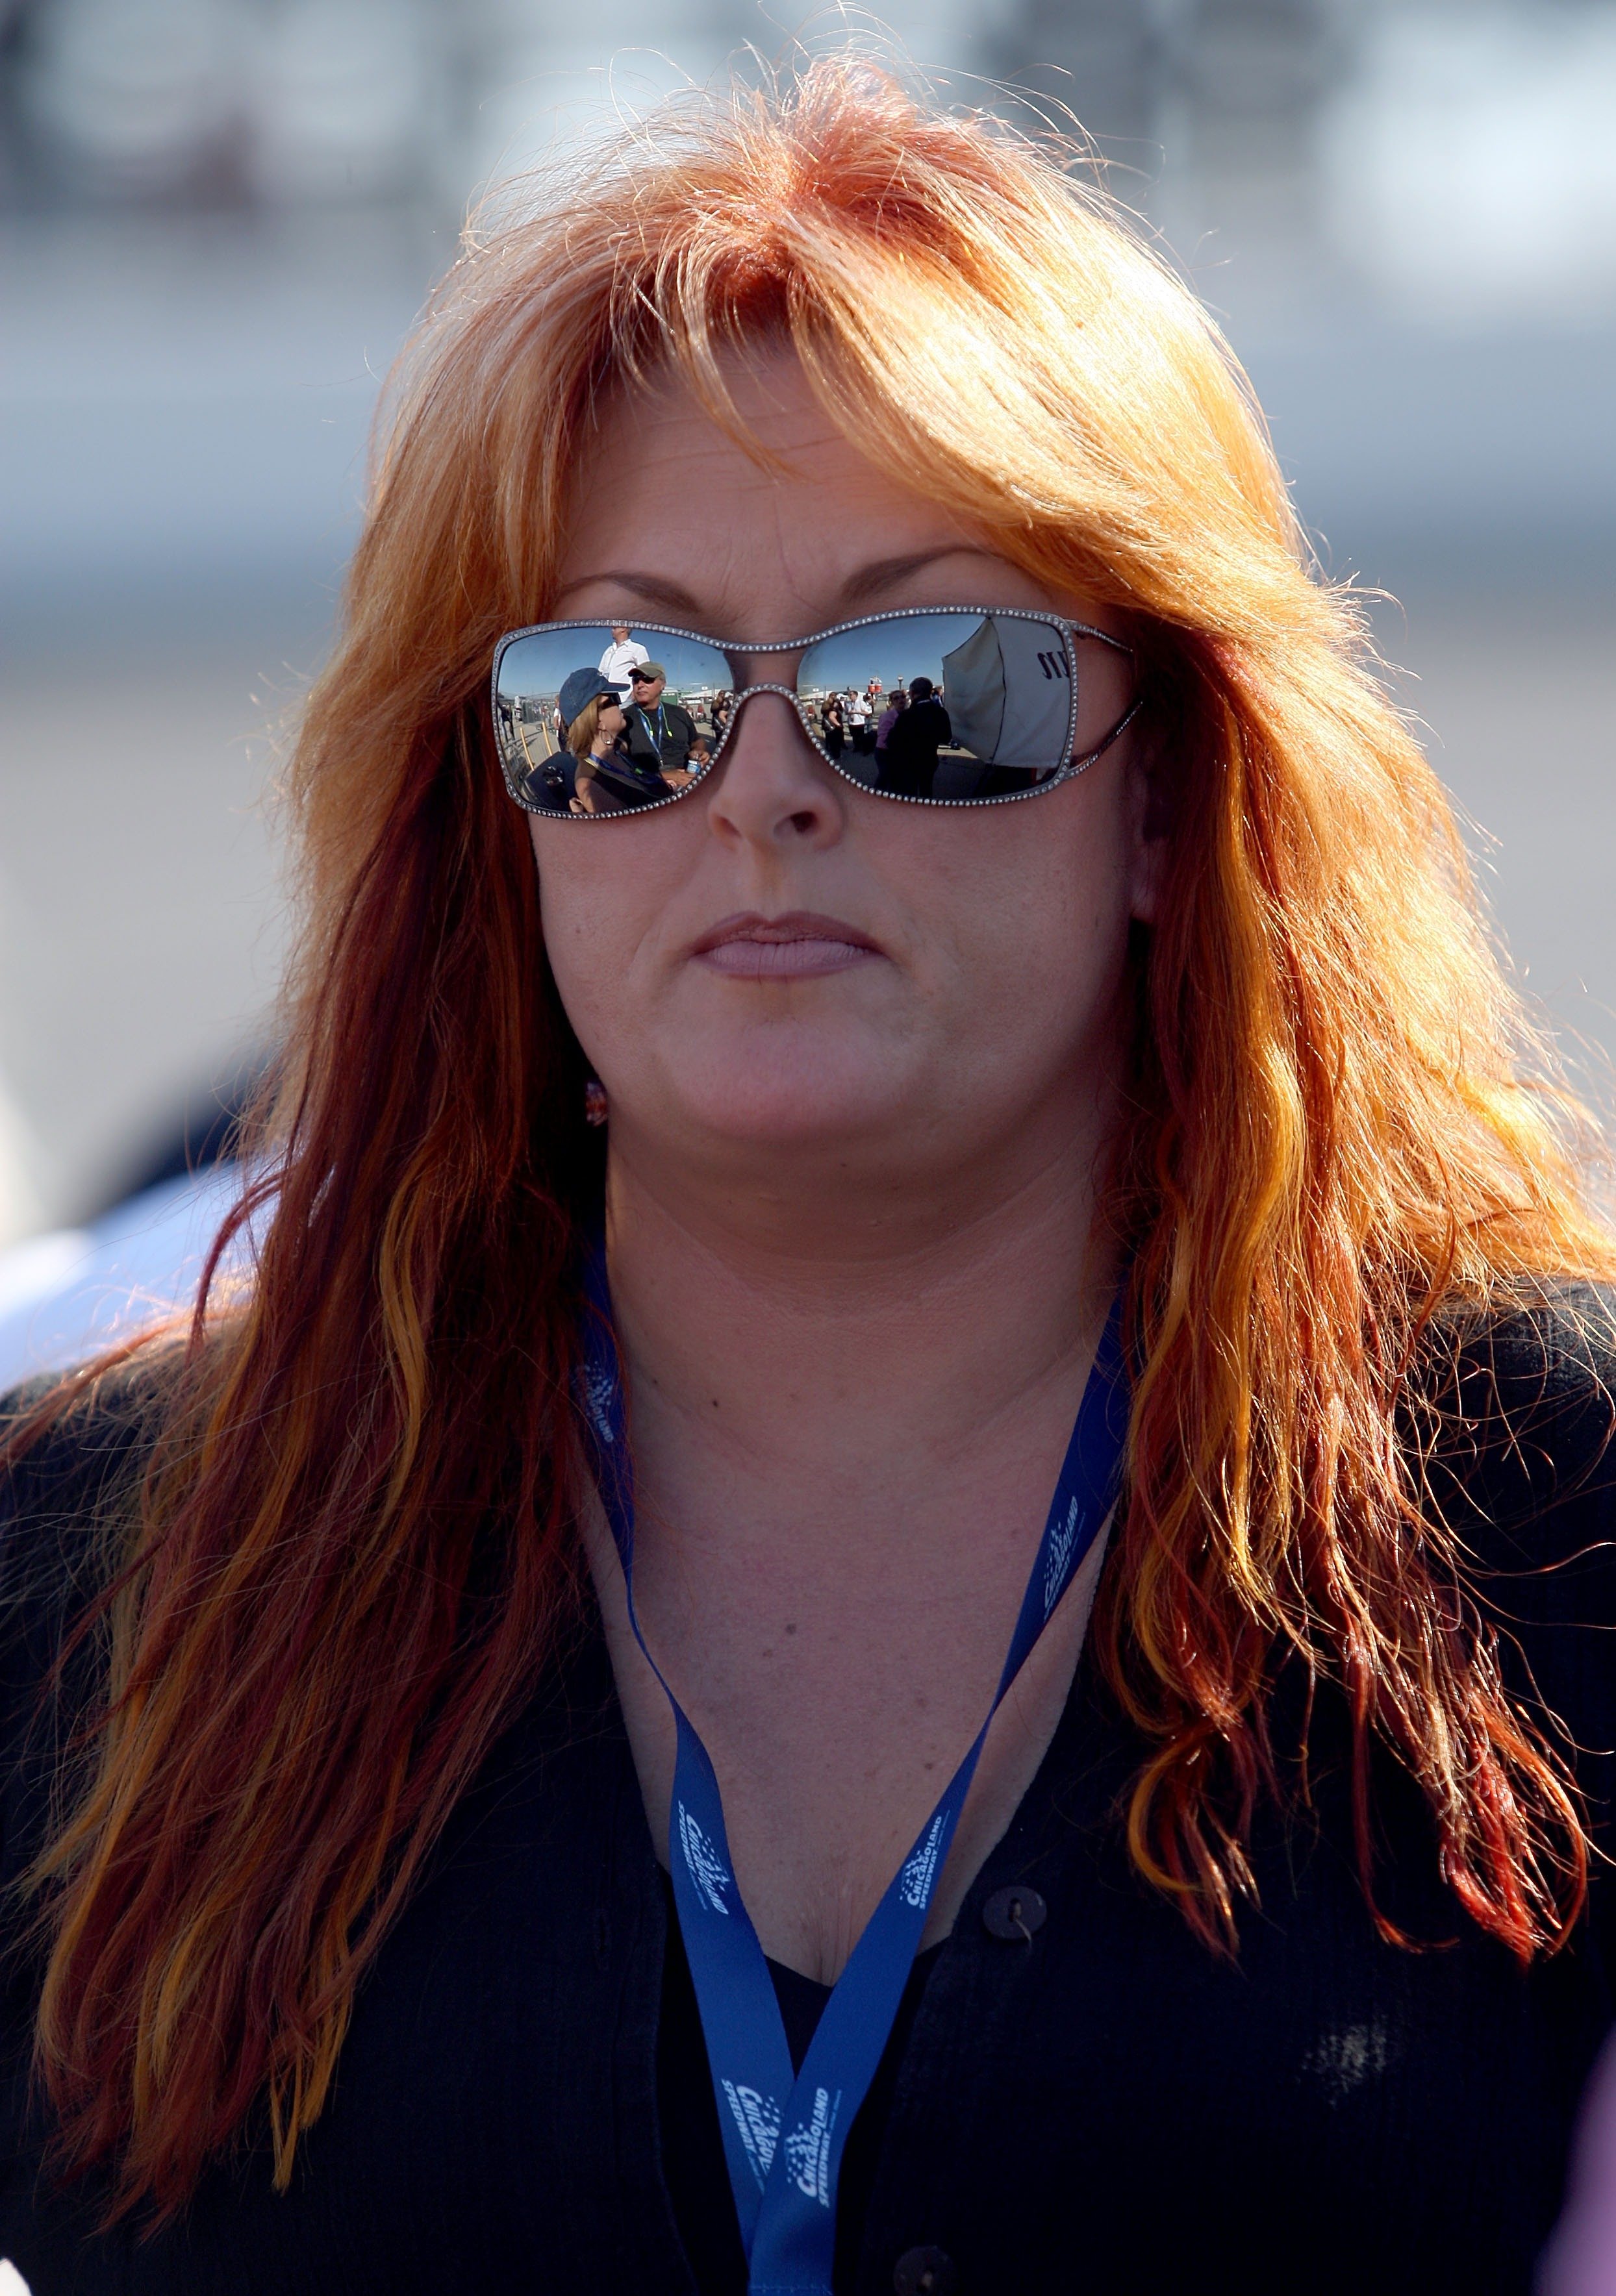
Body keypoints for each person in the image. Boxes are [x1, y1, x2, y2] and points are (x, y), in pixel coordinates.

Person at [2, 62, 1615, 2296]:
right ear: (503, 816)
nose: (755, 788)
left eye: (928, 680)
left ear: (1171, 797)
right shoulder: (83, 1569)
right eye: (622, 692)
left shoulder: (1557, 1510)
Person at [620, 660, 709, 785]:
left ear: (663, 685)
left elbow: (697, 740)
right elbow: (619, 763)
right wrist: (662, 776)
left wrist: (699, 752)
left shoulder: (679, 713)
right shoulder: (624, 718)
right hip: (646, 787)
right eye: (636, 680)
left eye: (647, 679)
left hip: (687, 783)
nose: (640, 685)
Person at [879, 674, 950, 799]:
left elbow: (892, 742)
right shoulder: (941, 712)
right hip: (930, 760)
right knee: (926, 789)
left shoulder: (907, 715)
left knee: (909, 792)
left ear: (912, 693)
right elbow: (946, 737)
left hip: (909, 762)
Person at [598, 621, 650, 700]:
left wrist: (635, 693)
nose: (612, 630)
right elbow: (600, 673)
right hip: (607, 698)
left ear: (623, 629)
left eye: (614, 628)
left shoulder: (637, 649)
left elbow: (645, 673)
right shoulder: (609, 650)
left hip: (625, 698)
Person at [818, 690, 846, 760]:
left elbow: (841, 710)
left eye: (835, 695)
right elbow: (823, 711)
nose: (834, 697)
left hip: (837, 721)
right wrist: (832, 708)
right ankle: (831, 749)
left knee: (840, 735)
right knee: (830, 737)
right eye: (833, 695)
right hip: (829, 723)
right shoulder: (826, 703)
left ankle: (841, 745)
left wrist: (838, 704)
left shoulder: (837, 702)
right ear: (830, 696)